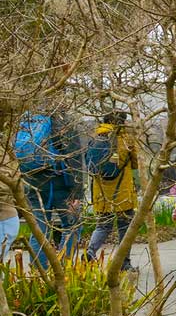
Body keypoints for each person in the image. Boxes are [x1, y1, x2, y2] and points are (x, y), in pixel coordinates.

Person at [15, 111, 81, 267]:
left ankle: (39, 273)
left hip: (32, 181)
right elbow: (75, 158)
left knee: (39, 230)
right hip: (59, 183)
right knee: (72, 225)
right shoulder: (63, 121)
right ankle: (64, 269)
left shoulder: (27, 119)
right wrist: (76, 192)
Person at [87, 112, 138, 270]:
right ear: (121, 122)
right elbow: (136, 163)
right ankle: (124, 262)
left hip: (101, 192)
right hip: (122, 192)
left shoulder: (95, 136)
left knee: (103, 226)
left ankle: (90, 252)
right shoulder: (125, 139)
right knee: (124, 228)